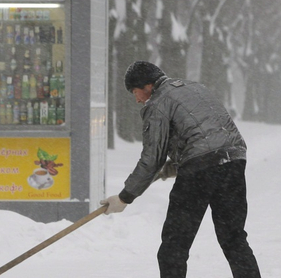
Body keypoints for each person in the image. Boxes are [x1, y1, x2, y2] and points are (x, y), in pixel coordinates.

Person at [101, 61, 261, 278]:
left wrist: (124, 197)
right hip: (233, 161)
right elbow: (206, 136)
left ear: (147, 85)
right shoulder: (195, 88)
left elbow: (151, 159)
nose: (138, 99)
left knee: (173, 247)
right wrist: (175, 165)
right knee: (233, 239)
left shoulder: (157, 103)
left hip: (199, 172)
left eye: (135, 92)